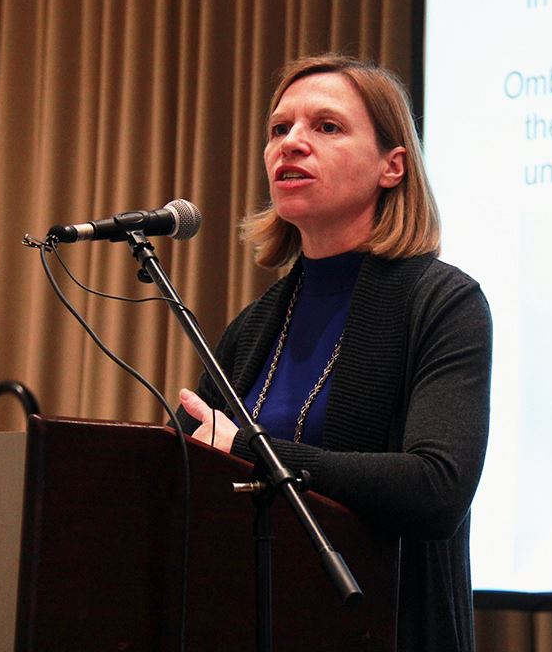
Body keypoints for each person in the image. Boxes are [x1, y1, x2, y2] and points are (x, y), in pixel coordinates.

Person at [176, 53, 492, 652]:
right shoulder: (255, 325)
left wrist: (248, 451)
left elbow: (437, 490)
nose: (291, 143)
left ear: (392, 167)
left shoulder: (443, 303)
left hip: (385, 629)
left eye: (326, 126)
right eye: (279, 128)